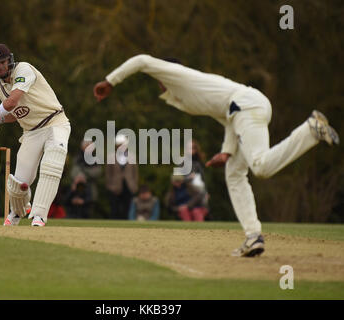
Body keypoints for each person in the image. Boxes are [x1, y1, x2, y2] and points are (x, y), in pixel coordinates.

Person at [93, 54, 340, 257]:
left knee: (261, 167)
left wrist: (111, 81)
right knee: (234, 174)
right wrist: (227, 151)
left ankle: (309, 130)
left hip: (248, 107)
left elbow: (143, 60)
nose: (159, 83)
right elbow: (226, 116)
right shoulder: (186, 93)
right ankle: (253, 236)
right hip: (244, 108)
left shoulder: (178, 75)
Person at [0, 43, 71, 227]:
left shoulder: (24, 69)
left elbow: (12, 102)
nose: (0, 67)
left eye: (3, 62)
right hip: (31, 132)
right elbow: (16, 112)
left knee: (51, 165)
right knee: (18, 183)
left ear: (9, 60)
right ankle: (18, 211)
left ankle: (39, 215)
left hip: (55, 122)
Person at [105, 134, 138, 219]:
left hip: (129, 186)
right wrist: (110, 186)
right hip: (115, 187)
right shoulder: (111, 157)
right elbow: (108, 174)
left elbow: (135, 173)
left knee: (127, 208)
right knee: (114, 209)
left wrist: (134, 185)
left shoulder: (132, 157)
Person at [70, 139, 102, 214]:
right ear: (82, 147)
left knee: (89, 209)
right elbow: (73, 172)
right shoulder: (77, 158)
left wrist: (84, 174)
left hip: (90, 188)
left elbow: (97, 172)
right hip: (77, 188)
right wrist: (80, 177)